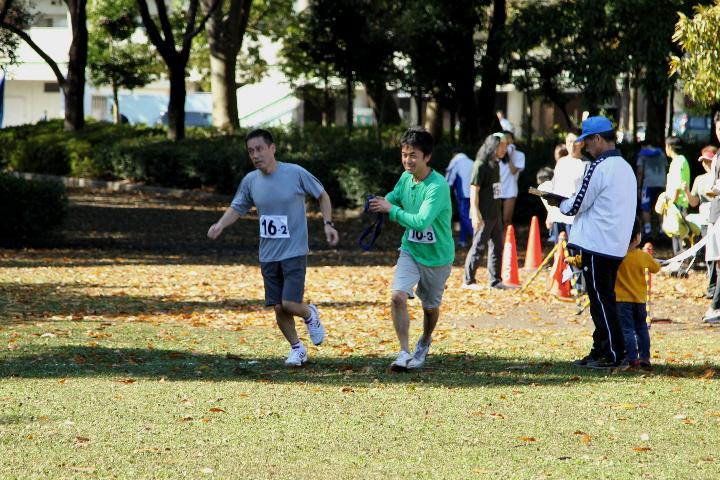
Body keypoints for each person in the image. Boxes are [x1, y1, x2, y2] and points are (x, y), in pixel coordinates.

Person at [207, 128, 339, 367]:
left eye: (259, 149)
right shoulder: (250, 181)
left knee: (290, 303)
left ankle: (310, 314)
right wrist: (220, 224)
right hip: (268, 255)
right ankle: (297, 349)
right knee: (278, 308)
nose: (255, 155)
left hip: (294, 252)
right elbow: (238, 207)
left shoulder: (295, 173)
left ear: (272, 148)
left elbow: (322, 195)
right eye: (250, 151)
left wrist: (327, 224)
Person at [546, 116, 637, 368]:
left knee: (601, 302)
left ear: (598, 139)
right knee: (602, 300)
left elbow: (577, 203)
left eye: (587, 141)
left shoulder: (599, 166)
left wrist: (558, 202)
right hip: (615, 244)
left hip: (597, 244)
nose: (585, 147)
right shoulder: (625, 167)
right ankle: (601, 350)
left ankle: (614, 354)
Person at [368, 127, 454, 371]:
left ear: (427, 157)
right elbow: (395, 196)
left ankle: (424, 341)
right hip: (411, 250)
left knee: (430, 308)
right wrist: (381, 202)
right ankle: (404, 353)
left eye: (413, 155)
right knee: (397, 296)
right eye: (404, 154)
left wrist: (391, 210)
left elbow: (421, 222)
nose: (408, 160)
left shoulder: (437, 186)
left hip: (437, 257)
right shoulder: (406, 178)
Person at [463, 133, 508, 289]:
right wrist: (475, 213)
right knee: (479, 246)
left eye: (505, 146)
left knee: (497, 246)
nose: (504, 149)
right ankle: (468, 281)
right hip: (483, 214)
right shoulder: (480, 165)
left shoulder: (495, 164)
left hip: (495, 213)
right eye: (501, 146)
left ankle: (495, 281)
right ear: (492, 146)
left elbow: (496, 190)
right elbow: (474, 189)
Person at [615, 217, 661, 370]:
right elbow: (656, 268)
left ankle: (632, 358)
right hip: (640, 300)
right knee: (642, 328)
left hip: (622, 300)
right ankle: (644, 357)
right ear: (637, 237)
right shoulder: (642, 256)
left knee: (627, 329)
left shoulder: (617, 255)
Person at [547, 131, 590, 243]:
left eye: (576, 142)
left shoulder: (587, 164)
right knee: (558, 249)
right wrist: (550, 214)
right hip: (558, 215)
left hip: (575, 217)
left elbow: (589, 194)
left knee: (573, 251)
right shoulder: (561, 162)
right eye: (569, 142)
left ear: (582, 143)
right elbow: (554, 189)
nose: (572, 145)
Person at [700, 113, 720, 323]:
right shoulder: (718, 156)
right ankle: (715, 304)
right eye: (718, 129)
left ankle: (715, 305)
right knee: (716, 260)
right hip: (715, 212)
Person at [636, 141, 668, 238]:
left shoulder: (642, 155)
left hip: (648, 184)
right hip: (662, 183)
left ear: (643, 146)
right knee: (661, 206)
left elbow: (640, 172)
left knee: (645, 207)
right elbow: (665, 168)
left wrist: (639, 187)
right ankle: (662, 230)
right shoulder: (661, 153)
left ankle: (648, 230)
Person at [665, 136, 691, 254]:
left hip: (677, 204)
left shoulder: (678, 162)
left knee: (679, 240)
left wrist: (671, 203)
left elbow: (677, 186)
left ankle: (683, 262)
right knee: (678, 236)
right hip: (679, 203)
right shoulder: (681, 160)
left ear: (669, 147)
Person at [445, 148, 474, 247]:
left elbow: (449, 179)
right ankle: (462, 240)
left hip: (462, 194)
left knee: (465, 217)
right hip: (473, 194)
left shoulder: (455, 161)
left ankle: (478, 237)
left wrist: (444, 190)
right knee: (467, 217)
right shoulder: (471, 162)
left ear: (454, 154)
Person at [498, 131, 525, 226]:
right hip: (497, 187)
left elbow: (513, 171)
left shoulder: (520, 155)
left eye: (508, 138)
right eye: (504, 138)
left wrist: (508, 156)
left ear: (513, 140)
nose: (507, 140)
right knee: (495, 218)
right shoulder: (497, 153)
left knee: (507, 219)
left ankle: (508, 235)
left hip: (510, 189)